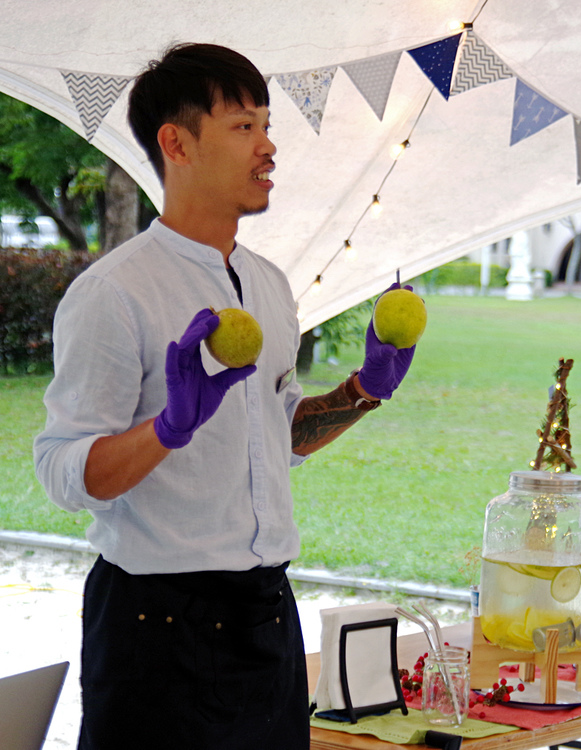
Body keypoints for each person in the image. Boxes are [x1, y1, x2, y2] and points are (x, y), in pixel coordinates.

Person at [33, 44, 418, 748]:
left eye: (267, 126)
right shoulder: (112, 293)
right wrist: (170, 428)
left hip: (267, 614)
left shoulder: (270, 285)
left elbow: (279, 436)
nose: (268, 147)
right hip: (157, 628)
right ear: (176, 143)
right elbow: (65, 472)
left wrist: (362, 391)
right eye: (244, 127)